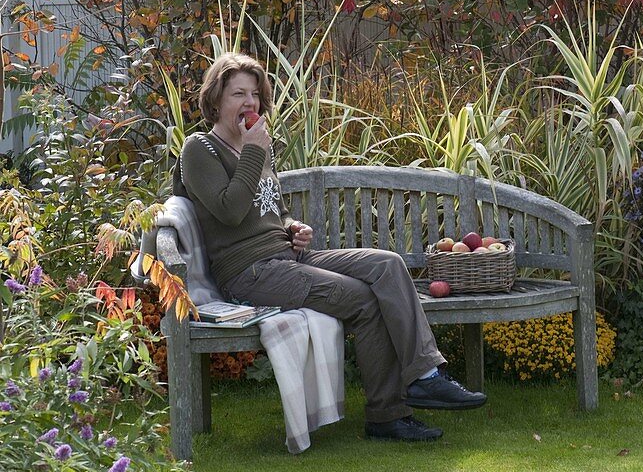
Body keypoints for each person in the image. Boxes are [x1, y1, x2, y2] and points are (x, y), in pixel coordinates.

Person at [172, 52, 485, 442]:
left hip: (288, 256)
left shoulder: (258, 147)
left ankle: (425, 375)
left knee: (387, 265)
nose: (249, 103)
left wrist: (292, 226)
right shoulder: (201, 149)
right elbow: (231, 211)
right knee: (362, 298)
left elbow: (271, 210)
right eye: (238, 94)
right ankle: (387, 416)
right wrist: (254, 151)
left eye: (254, 94)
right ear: (216, 99)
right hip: (249, 272)